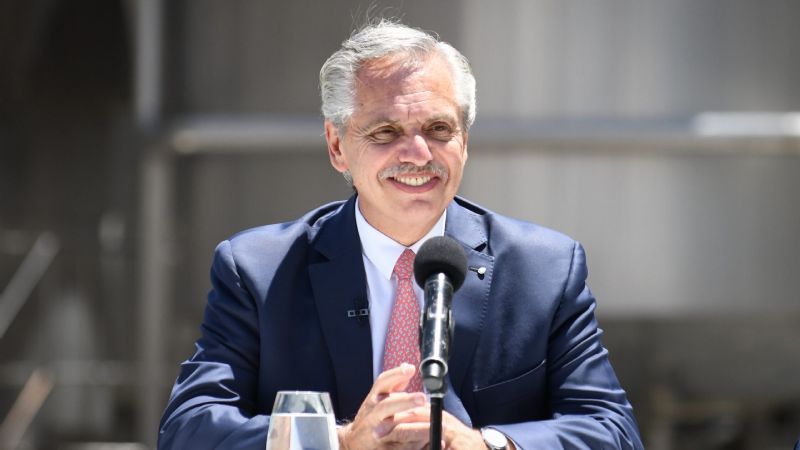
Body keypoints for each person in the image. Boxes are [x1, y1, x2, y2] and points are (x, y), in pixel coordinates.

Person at [158, 20, 643, 450]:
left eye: (437, 128)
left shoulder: (545, 268)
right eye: (385, 132)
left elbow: (612, 431)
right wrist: (340, 441)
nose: (417, 153)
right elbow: (187, 430)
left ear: (464, 142)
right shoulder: (259, 268)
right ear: (337, 147)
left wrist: (488, 446)